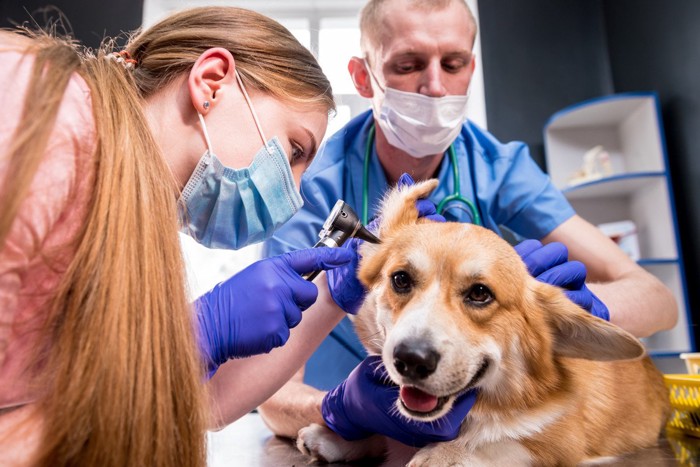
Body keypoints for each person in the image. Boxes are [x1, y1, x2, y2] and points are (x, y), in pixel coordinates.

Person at [257, 0, 678, 446]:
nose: (436, 87)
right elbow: (271, 396)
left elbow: (658, 301)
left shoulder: (499, 168)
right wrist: (340, 409)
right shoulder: (314, 186)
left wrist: (570, 308)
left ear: (471, 68)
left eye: (453, 63)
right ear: (364, 77)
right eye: (408, 64)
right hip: (342, 437)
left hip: (477, 429)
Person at [0, 6, 391, 466]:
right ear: (210, 82)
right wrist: (199, 334)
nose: (296, 194)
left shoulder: (131, 216)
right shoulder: (43, 116)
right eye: (295, 149)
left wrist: (331, 293)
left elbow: (202, 400)